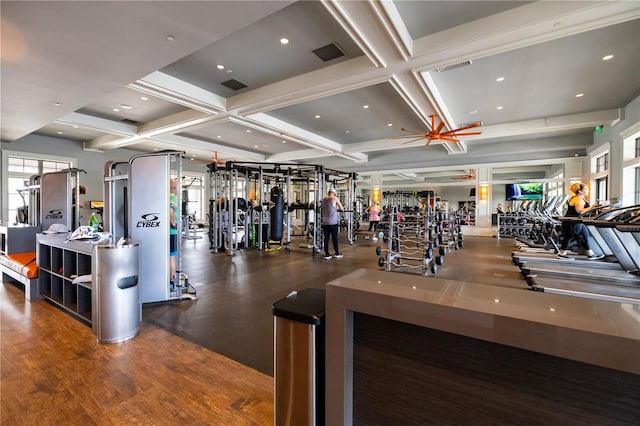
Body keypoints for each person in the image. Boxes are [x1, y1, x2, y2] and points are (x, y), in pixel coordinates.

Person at [558, 182, 603, 260]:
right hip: (573, 222)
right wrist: (592, 207)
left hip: (577, 221)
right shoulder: (578, 199)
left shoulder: (577, 198)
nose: (588, 190)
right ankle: (562, 253)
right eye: (586, 189)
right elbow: (580, 211)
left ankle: (590, 253)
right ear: (580, 191)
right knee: (569, 236)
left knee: (585, 235)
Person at [321, 187, 344, 260]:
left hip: (325, 222)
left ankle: (327, 254)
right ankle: (337, 253)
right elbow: (342, 208)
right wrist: (336, 208)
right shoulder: (335, 198)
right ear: (334, 193)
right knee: (334, 238)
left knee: (326, 238)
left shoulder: (323, 199)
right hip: (333, 222)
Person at [169, 179, 179, 286]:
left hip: (162, 232)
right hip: (171, 232)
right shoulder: (173, 197)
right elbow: (170, 213)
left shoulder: (163, 197)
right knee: (171, 257)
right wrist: (173, 224)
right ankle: (172, 283)